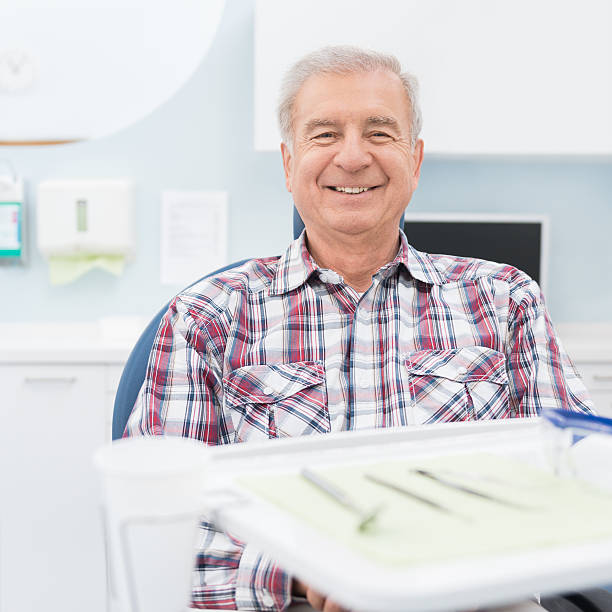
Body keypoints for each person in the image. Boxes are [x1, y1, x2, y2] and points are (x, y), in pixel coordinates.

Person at [125, 45, 593, 611]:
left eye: (379, 132)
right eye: (324, 135)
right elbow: (152, 524)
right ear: (288, 161)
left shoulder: (505, 300)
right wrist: (298, 575)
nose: (352, 157)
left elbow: (581, 484)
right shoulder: (208, 315)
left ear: (415, 160)